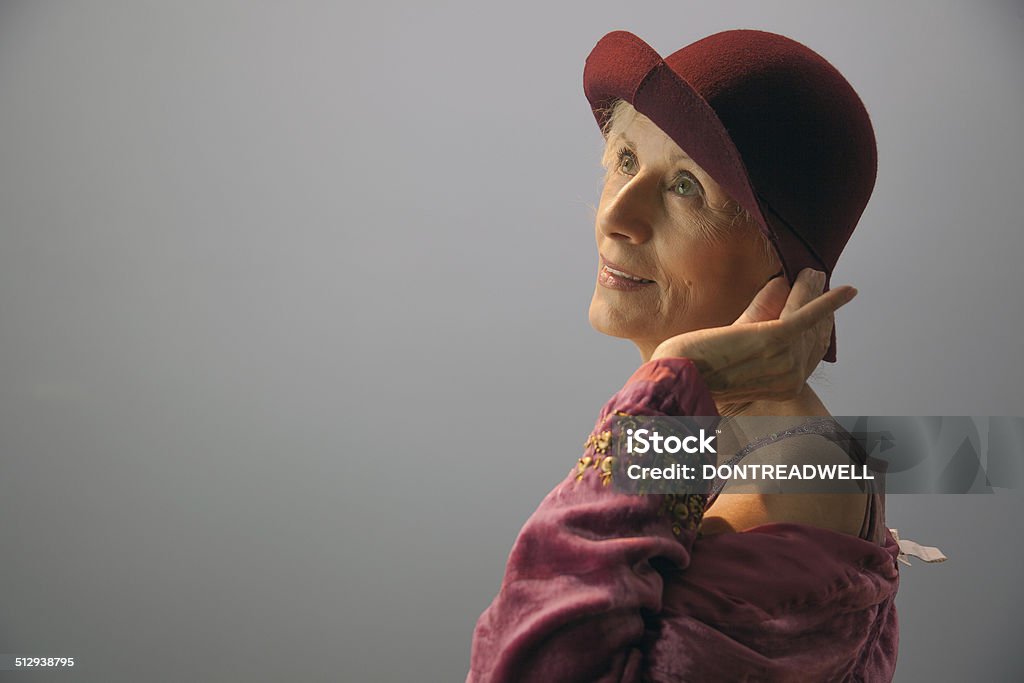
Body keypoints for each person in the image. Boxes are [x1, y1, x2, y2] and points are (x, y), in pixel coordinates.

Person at [467, 30, 913, 682]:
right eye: (623, 160)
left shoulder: (781, 479)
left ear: (785, 268)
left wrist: (678, 381)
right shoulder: (753, 437)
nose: (617, 216)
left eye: (684, 187)